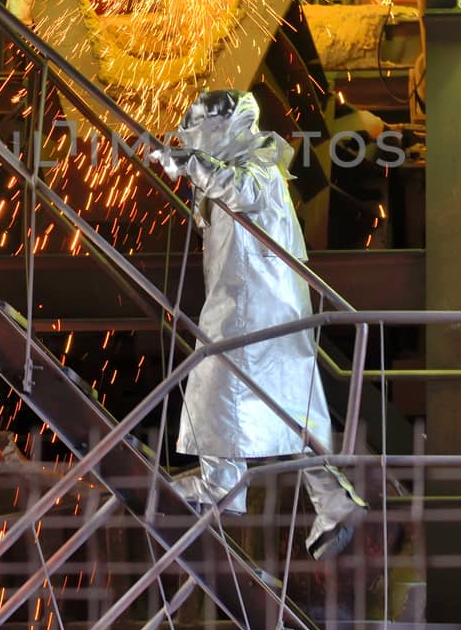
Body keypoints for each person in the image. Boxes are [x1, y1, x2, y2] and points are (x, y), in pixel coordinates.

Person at [151, 90, 368, 560]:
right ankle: (331, 502)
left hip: (252, 305)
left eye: (198, 130)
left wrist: (190, 163)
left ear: (223, 128)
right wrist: (190, 169)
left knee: (215, 383)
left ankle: (223, 484)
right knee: (290, 403)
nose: (192, 137)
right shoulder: (248, 166)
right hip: (266, 302)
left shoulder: (261, 170)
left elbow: (239, 189)